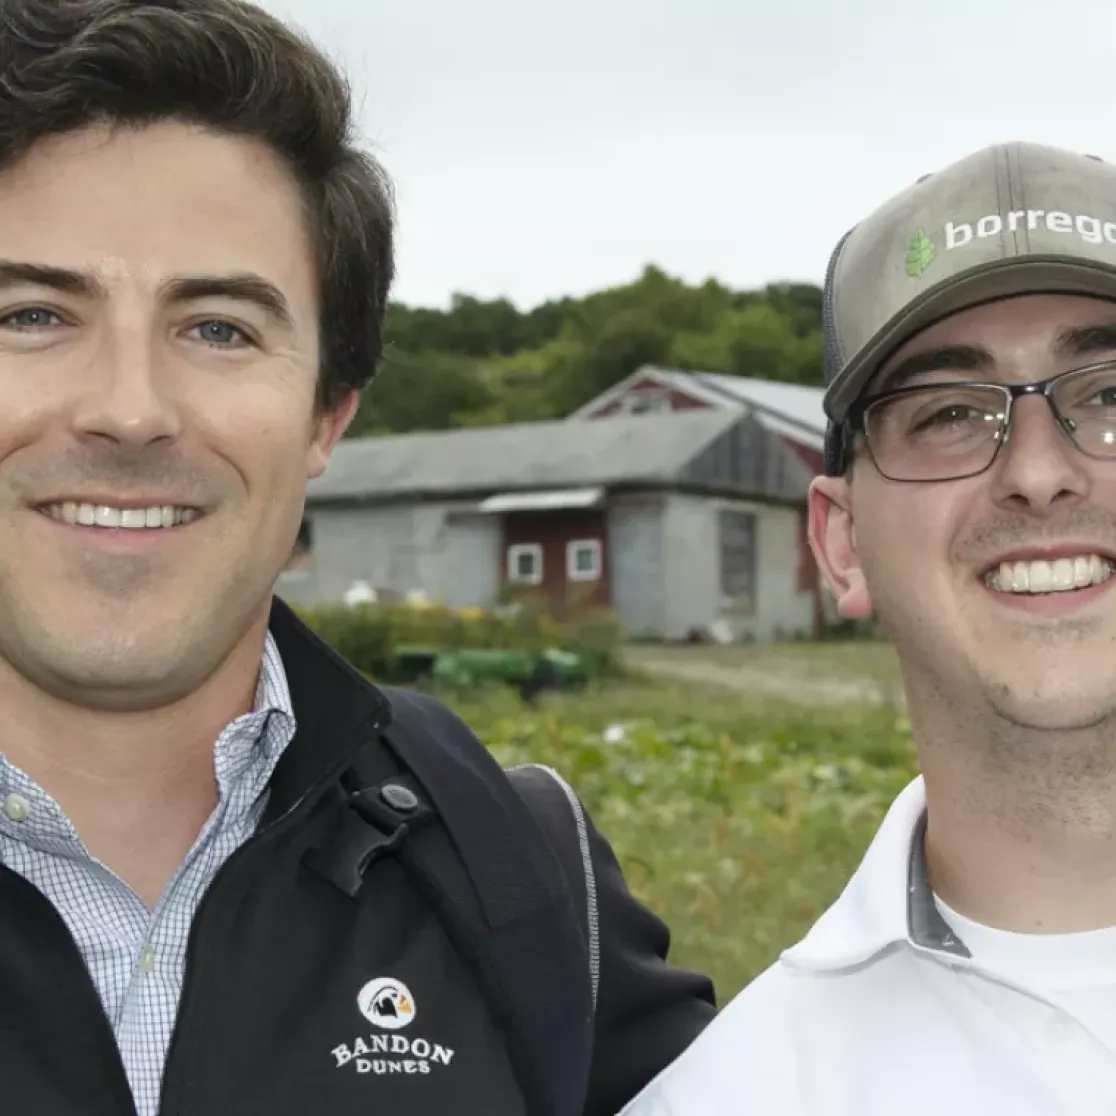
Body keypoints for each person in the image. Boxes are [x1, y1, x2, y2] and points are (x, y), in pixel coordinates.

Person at [0, 3, 717, 1115]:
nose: (127, 411)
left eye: (220, 328)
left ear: (330, 412)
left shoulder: (521, 877)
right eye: (34, 314)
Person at [619, 140, 1116, 1115]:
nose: (1038, 470)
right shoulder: (732, 1099)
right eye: (949, 413)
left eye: (1112, 395)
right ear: (842, 542)